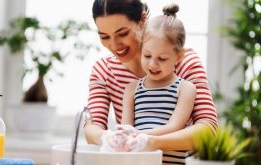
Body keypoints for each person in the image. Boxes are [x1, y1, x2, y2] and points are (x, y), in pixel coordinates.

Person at [85, 0, 217, 160]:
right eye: (104, 36)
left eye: (122, 33)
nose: (114, 45)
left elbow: (208, 129)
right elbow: (92, 127)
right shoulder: (104, 70)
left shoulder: (185, 62)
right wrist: (108, 139)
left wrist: (152, 141)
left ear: (142, 20)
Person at [120, 3, 196, 164]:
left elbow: (174, 126)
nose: (153, 64)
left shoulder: (185, 89)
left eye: (162, 58)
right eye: (147, 55)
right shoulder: (132, 89)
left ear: (180, 56)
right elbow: (126, 128)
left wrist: (140, 136)